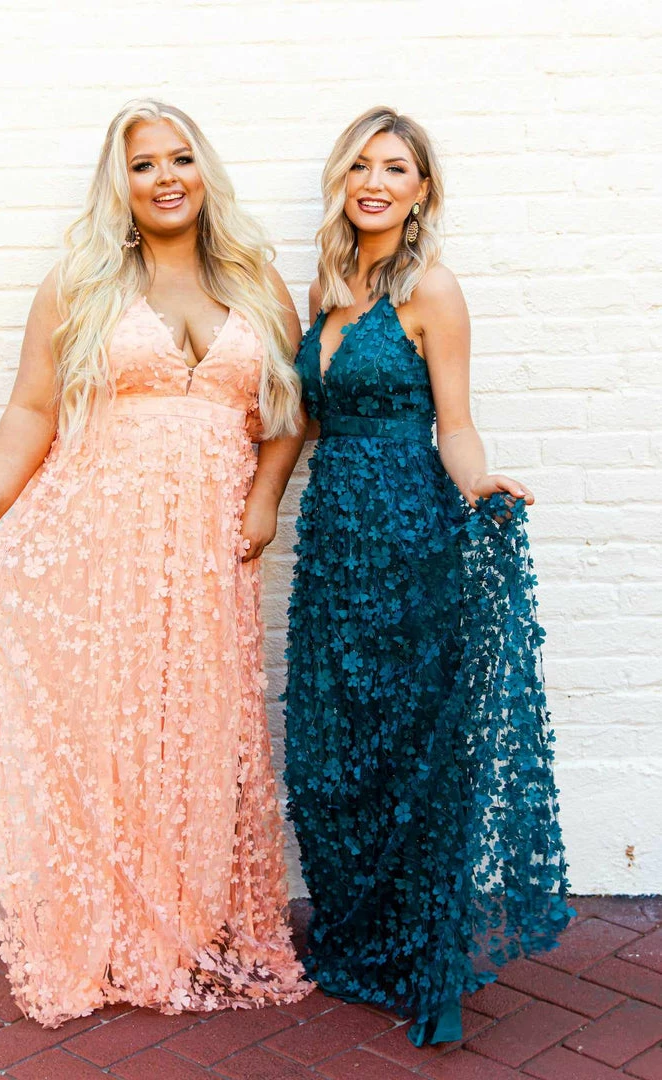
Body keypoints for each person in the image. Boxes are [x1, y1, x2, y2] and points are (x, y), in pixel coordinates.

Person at [0, 99, 310, 1027]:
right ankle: (117, 928)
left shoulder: (255, 279)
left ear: (203, 169)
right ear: (122, 184)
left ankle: (189, 922)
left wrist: (266, 498)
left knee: (200, 726)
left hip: (212, 541)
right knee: (120, 726)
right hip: (106, 539)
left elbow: (289, 409)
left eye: (179, 158)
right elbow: (34, 407)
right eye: (143, 164)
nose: (165, 177)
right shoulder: (81, 283)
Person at [283, 106, 572, 1046]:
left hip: (410, 534)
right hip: (333, 544)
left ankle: (429, 961)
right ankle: (359, 937)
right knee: (334, 751)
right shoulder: (326, 289)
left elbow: (457, 422)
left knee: (415, 746)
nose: (375, 182)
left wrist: (477, 480)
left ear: (422, 192)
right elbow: (307, 420)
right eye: (361, 166)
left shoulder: (431, 289)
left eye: (395, 169)